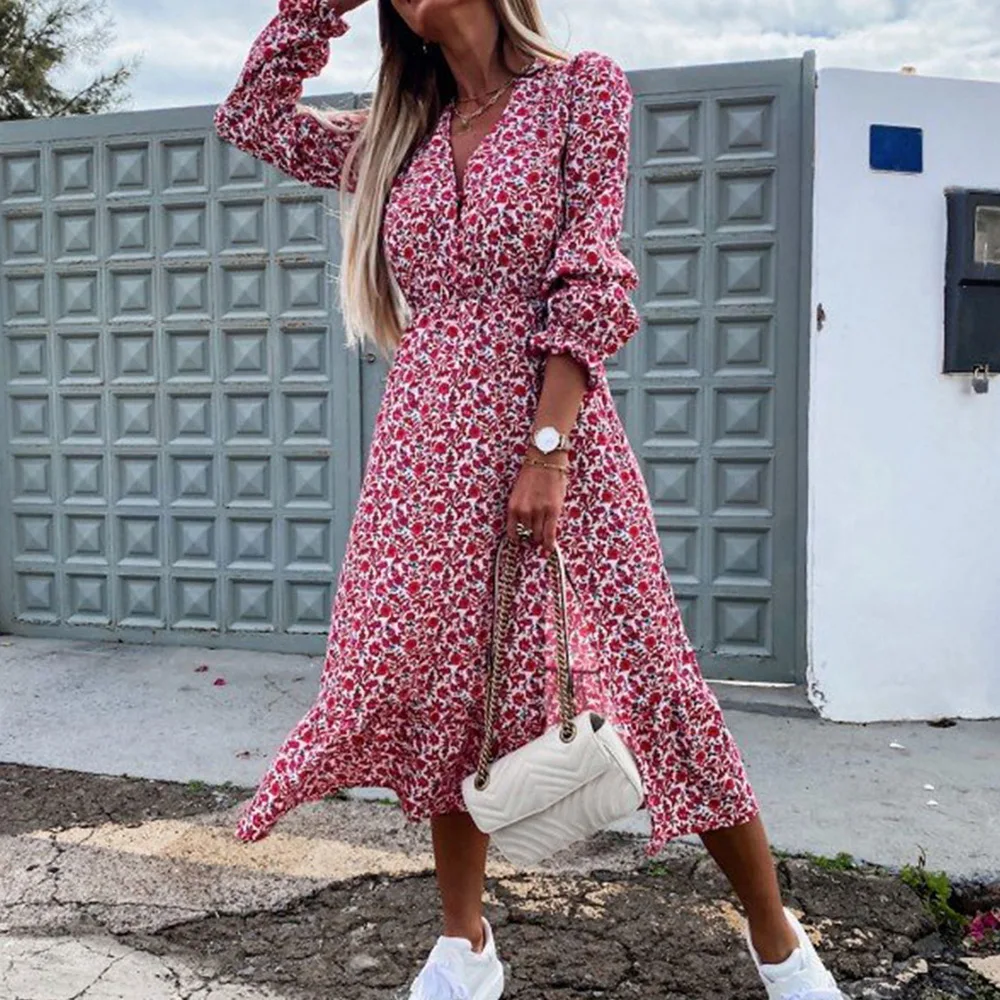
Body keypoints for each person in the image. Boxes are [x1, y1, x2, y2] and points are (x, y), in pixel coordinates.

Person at [214, 1, 844, 997]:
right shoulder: (398, 136)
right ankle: (463, 948)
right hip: (424, 451)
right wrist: (315, 7)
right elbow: (250, 115)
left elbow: (589, 274)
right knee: (442, 686)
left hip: (554, 434)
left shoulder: (580, 90)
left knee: (650, 672)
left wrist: (548, 449)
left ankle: (779, 943)